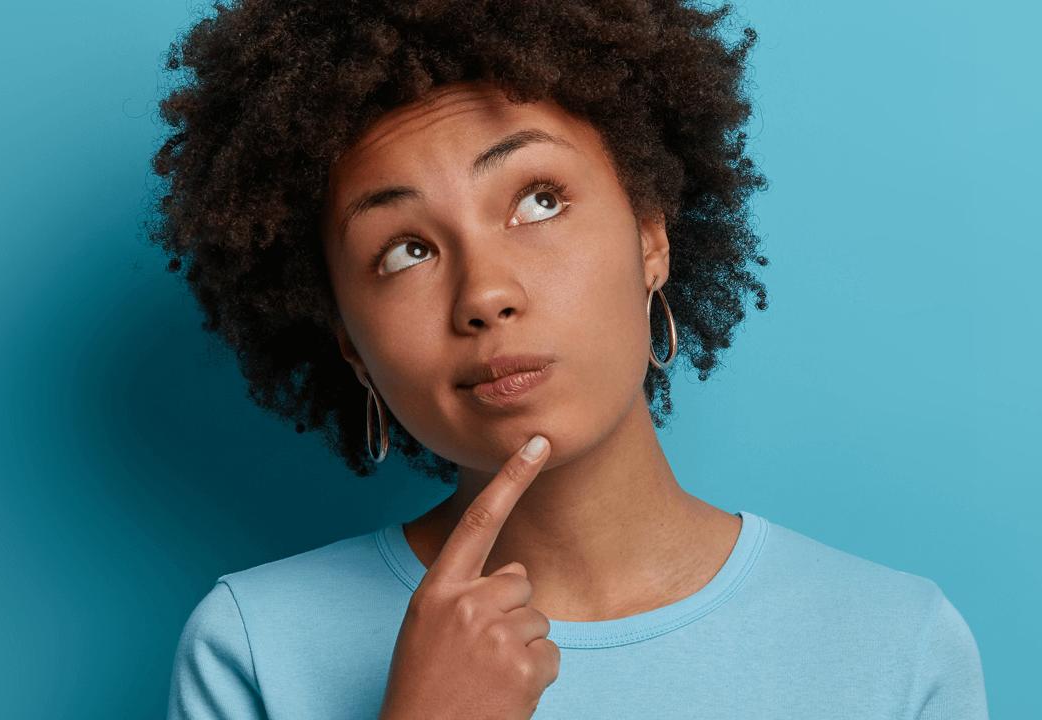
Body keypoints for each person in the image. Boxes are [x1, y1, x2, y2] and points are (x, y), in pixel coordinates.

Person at [151, 1, 989, 717]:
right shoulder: (255, 648)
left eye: (538, 201)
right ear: (350, 345)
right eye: (405, 251)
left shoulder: (892, 643)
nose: (485, 294)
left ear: (649, 235)